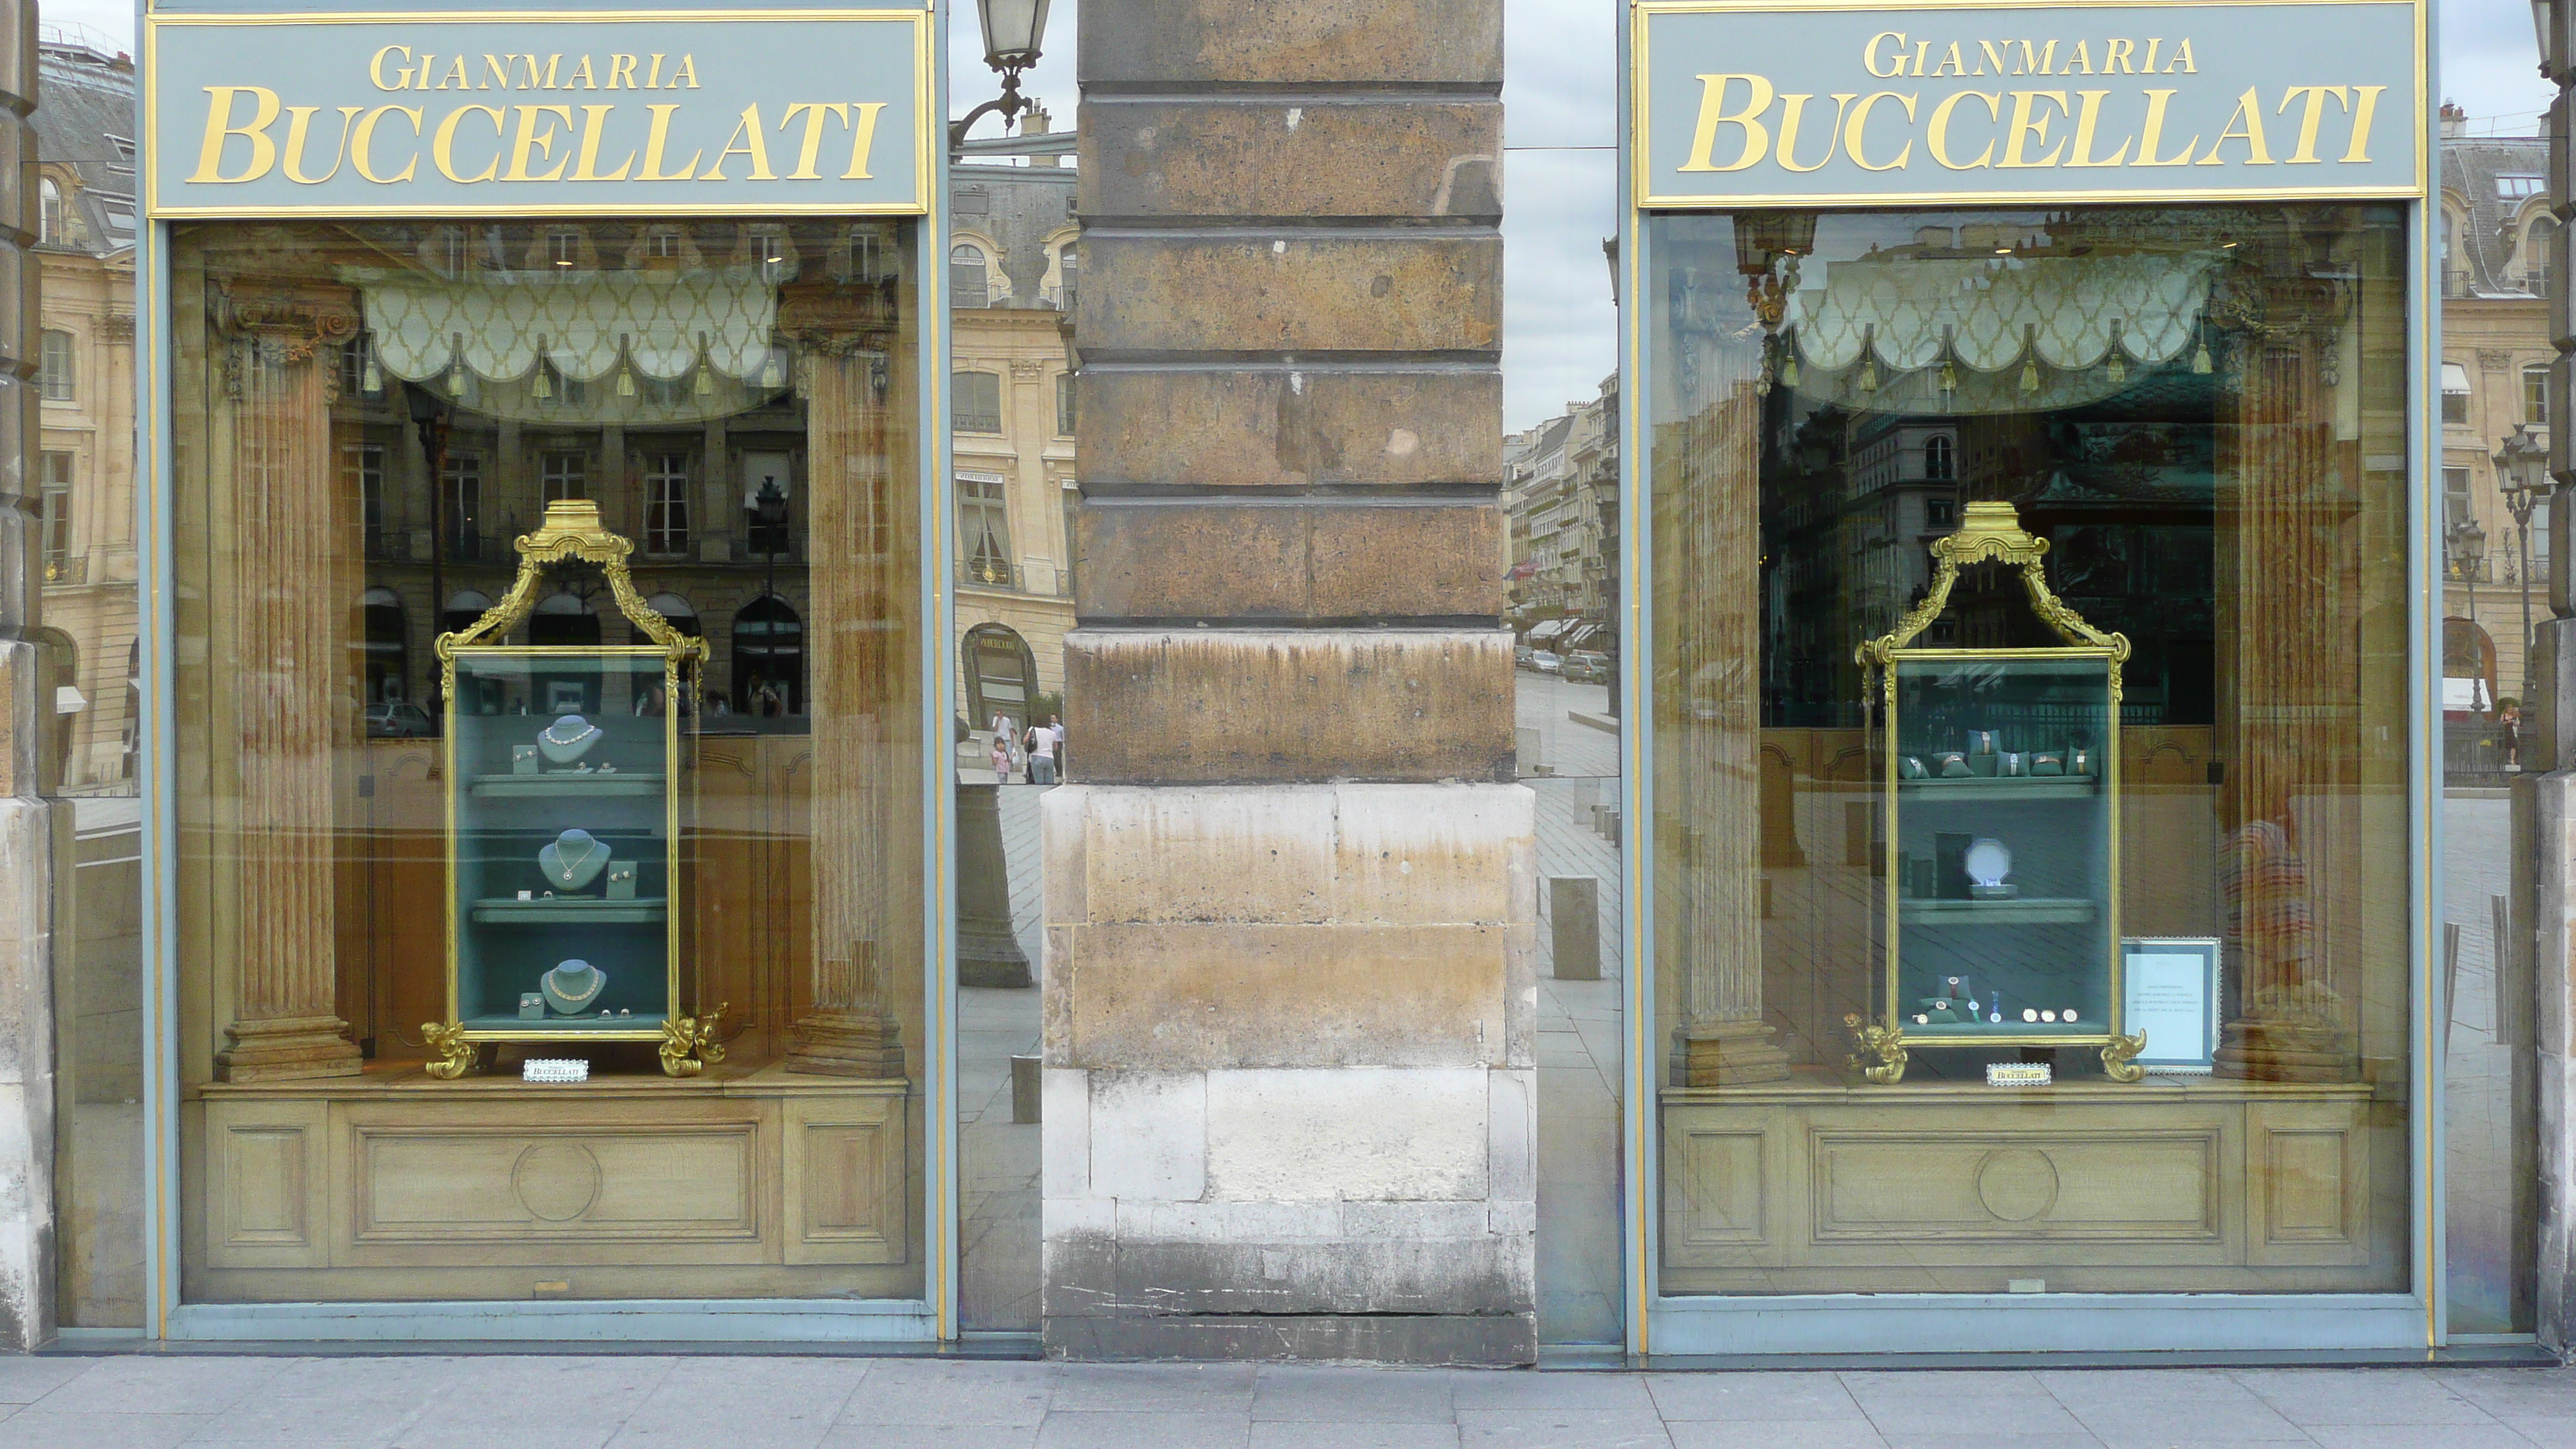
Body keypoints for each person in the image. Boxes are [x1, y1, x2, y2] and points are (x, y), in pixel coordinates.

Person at [1024, 714, 1060, 785]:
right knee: (1049, 783)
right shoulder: (1052, 733)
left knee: (1039, 783)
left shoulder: (1033, 729)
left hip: (1037, 757)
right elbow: (1056, 748)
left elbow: (1025, 740)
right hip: (1050, 758)